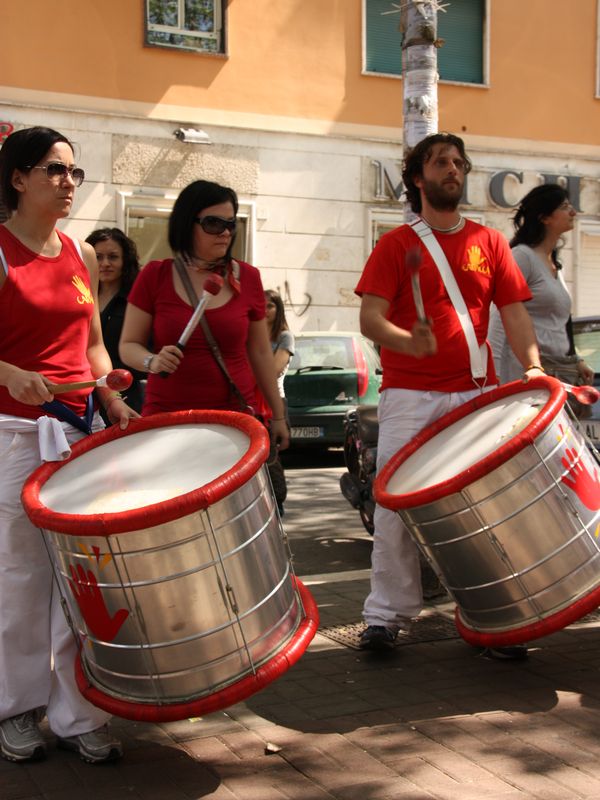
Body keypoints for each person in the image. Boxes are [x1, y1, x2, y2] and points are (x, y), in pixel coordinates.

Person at [355, 132, 543, 658]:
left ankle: (495, 616)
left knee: (483, 509)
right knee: (394, 507)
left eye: (459, 163)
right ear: (418, 178)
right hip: (411, 398)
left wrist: (530, 367)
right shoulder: (395, 245)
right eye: (441, 163)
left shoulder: (490, 242)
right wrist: (404, 340)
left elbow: (514, 313)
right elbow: (370, 317)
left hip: (474, 396)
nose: (453, 170)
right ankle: (385, 616)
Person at [0, 126, 137, 764]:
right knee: (21, 577)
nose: (68, 182)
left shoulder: (80, 253)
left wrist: (110, 397)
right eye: (55, 170)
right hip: (16, 435)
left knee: (82, 577)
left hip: (81, 432)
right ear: (18, 178)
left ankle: (80, 710)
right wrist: (9, 375)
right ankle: (18, 708)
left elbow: (92, 348)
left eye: (75, 172)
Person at [119, 180, 289, 451]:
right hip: (167, 419)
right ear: (188, 223)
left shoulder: (248, 277)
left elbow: (260, 353)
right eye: (213, 224)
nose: (224, 233)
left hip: (234, 420)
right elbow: (128, 345)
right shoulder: (155, 275)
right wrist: (152, 361)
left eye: (231, 224)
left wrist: (278, 416)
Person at [488, 184, 594, 412]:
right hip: (525, 378)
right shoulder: (522, 257)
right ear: (545, 217)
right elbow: (499, 318)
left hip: (555, 374)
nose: (573, 212)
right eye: (565, 207)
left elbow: (559, 321)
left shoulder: (555, 263)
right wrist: (494, 377)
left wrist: (576, 360)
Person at [85, 228, 145, 417]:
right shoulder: (78, 296)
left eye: (113, 257)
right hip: (84, 395)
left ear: (125, 261)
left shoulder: (137, 302)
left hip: (125, 397)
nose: (105, 264)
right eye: (98, 257)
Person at [264, 289, 295, 515]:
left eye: (270, 306)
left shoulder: (285, 336)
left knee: (271, 457)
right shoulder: (252, 333)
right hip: (251, 401)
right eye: (261, 306)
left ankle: (278, 504)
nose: (265, 311)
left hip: (275, 401)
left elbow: (273, 370)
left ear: (278, 309)